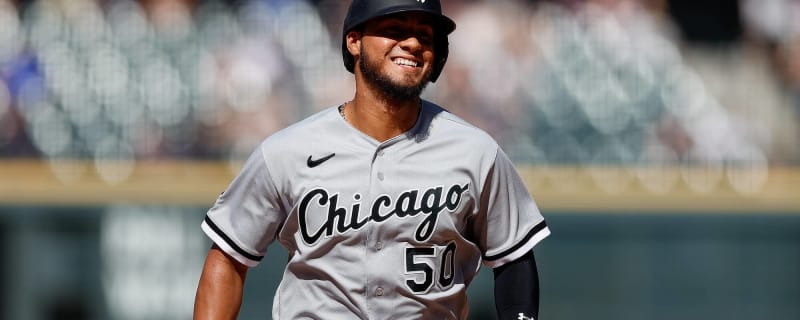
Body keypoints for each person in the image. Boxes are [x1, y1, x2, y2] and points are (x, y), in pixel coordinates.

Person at [193, 0, 550, 319]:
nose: (411, 43)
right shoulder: (288, 151)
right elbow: (227, 258)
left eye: (424, 36)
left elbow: (513, 258)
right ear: (354, 41)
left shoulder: (476, 152)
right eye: (394, 30)